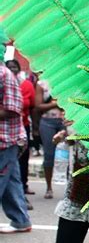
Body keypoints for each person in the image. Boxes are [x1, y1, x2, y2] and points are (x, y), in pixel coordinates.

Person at [0, 59, 32, 234]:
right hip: (7, 140)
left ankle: (21, 219)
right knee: (11, 181)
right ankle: (21, 220)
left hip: (5, 140)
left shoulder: (3, 74)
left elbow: (13, 108)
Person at [5, 58, 36, 207]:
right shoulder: (6, 79)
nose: (12, 69)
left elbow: (31, 107)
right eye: (9, 67)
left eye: (14, 67)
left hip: (17, 130)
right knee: (12, 173)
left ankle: (22, 195)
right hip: (9, 132)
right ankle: (20, 216)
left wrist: (34, 129)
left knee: (20, 165)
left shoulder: (26, 85)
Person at [35, 78, 65, 199]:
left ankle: (72, 189)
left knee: (74, 155)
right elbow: (38, 106)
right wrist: (55, 104)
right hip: (47, 122)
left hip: (65, 121)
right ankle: (49, 187)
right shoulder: (41, 84)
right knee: (49, 155)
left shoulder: (65, 78)